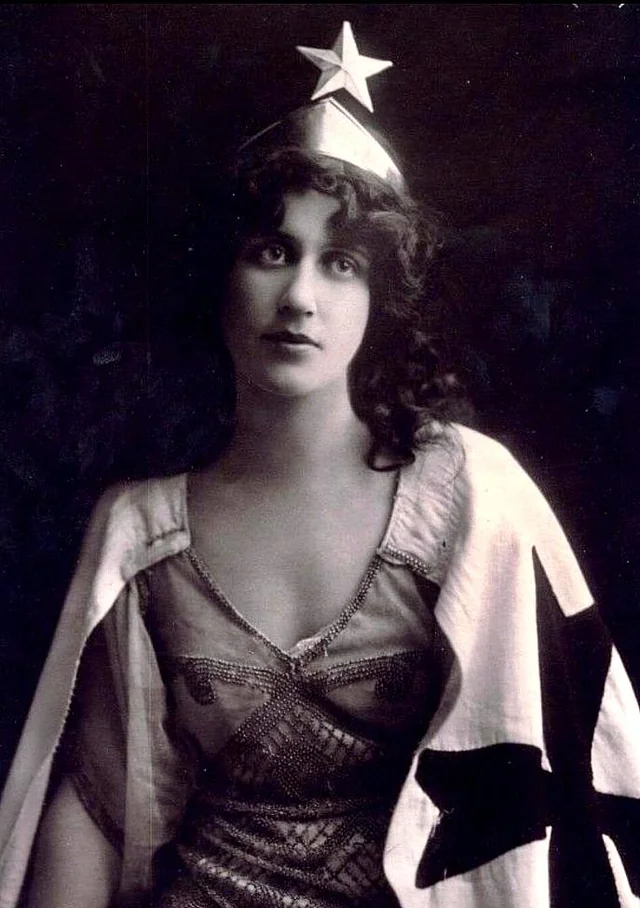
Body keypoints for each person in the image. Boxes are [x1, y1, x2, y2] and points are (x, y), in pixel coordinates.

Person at [1, 20, 640, 908]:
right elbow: (96, 805)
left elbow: (566, 768)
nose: (300, 297)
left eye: (339, 263)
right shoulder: (143, 531)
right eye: (272, 252)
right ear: (220, 275)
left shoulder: (466, 495)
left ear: (380, 299)